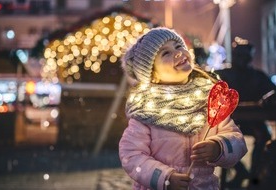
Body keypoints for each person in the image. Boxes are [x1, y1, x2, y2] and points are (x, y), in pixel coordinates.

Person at [118, 27, 247, 190]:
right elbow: (131, 156)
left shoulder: (208, 99)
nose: (178, 53)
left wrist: (219, 147)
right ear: (152, 74)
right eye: (166, 53)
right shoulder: (145, 112)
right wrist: (164, 178)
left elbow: (237, 140)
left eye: (178, 46)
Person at [216, 37, 276, 188]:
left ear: (250, 57)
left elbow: (271, 91)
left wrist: (270, 96)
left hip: (253, 121)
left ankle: (254, 176)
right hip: (227, 121)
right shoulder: (223, 74)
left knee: (264, 136)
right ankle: (242, 171)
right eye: (239, 55)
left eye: (245, 55)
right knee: (216, 139)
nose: (242, 59)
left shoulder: (258, 76)